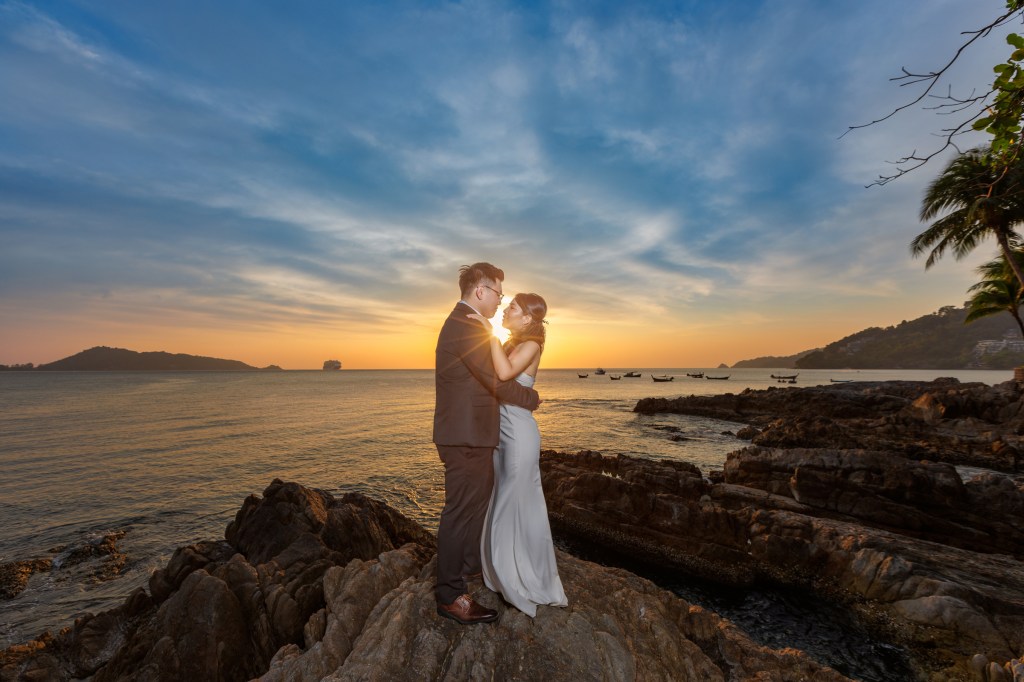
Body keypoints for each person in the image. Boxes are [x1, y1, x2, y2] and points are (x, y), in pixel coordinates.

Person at [433, 262, 541, 624]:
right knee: (459, 511)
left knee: (476, 507)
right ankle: (449, 595)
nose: (500, 300)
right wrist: (531, 399)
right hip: (464, 435)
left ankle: (467, 569)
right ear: (481, 291)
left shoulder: (470, 324)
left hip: (472, 434)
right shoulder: (465, 326)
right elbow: (495, 381)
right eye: (498, 293)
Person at [467, 293, 568, 617]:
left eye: (512, 307)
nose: (506, 309)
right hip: (503, 434)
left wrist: (486, 329)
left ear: (527, 318)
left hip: (520, 436)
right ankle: (505, 573)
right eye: (507, 305)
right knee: (510, 501)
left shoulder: (532, 346)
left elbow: (505, 372)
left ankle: (517, 578)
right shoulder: (514, 342)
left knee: (513, 502)